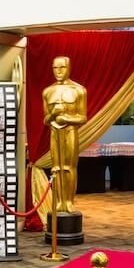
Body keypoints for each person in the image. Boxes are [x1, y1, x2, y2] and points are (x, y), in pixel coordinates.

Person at [42, 56, 87, 213]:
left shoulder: (78, 90)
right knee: (56, 168)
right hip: (54, 133)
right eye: (55, 68)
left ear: (69, 68)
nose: (59, 71)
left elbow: (83, 117)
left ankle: (68, 201)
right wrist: (53, 114)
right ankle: (59, 201)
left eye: (62, 67)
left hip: (70, 132)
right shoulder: (48, 91)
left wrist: (66, 118)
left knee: (69, 167)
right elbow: (46, 120)